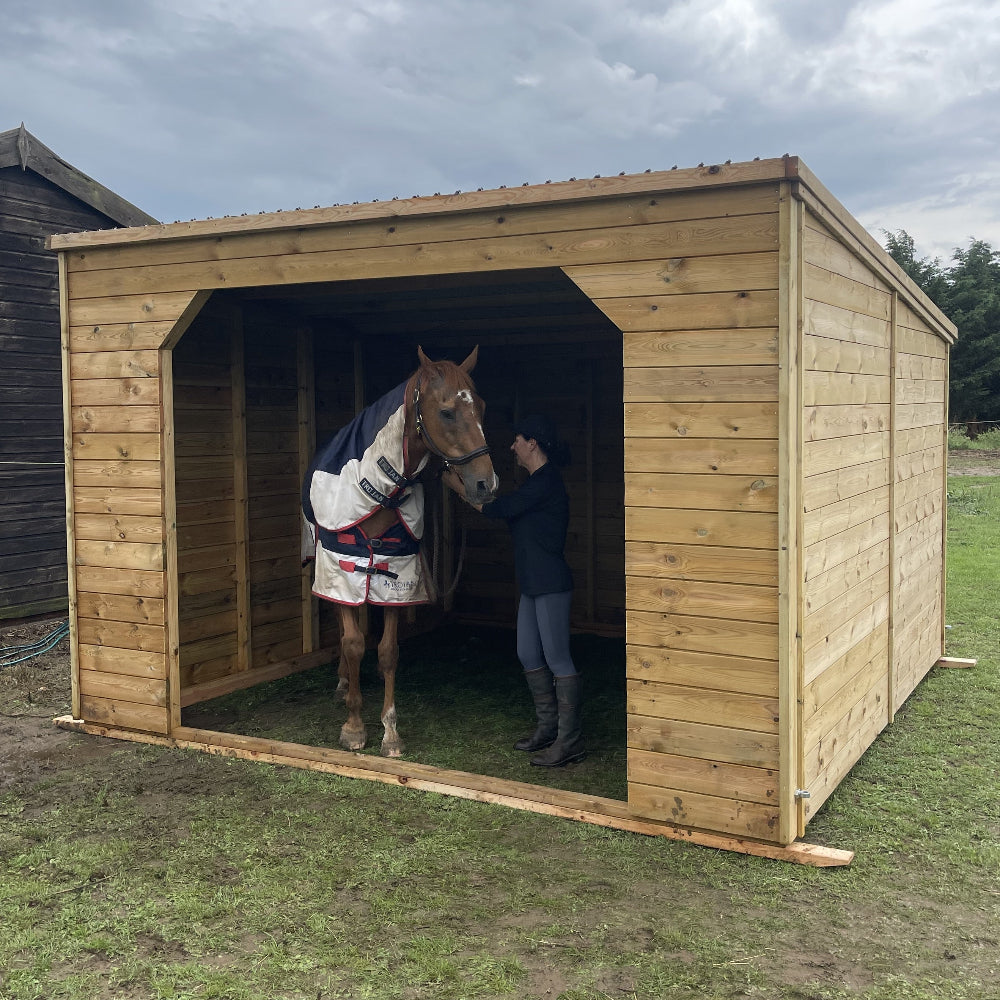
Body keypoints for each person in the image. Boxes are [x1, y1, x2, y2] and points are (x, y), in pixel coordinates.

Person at [445, 414, 585, 767]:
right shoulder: (535, 484)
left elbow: (500, 509)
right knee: (527, 654)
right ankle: (548, 729)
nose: (512, 447)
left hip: (550, 583)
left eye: (517, 440)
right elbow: (507, 511)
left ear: (532, 444)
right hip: (533, 584)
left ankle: (569, 742)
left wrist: (457, 487)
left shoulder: (546, 481)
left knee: (558, 659)